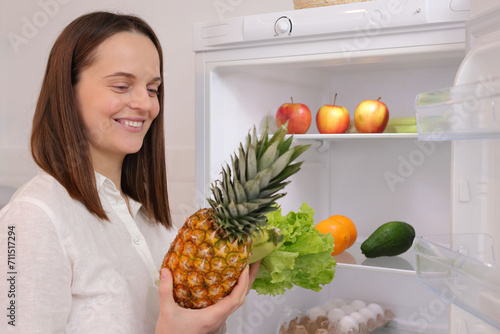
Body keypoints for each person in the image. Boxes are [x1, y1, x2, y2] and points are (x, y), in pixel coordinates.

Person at [0, 11, 259, 334]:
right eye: (122, 86)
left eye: (153, 89)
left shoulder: (153, 221)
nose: (145, 104)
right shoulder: (32, 218)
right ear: (67, 90)